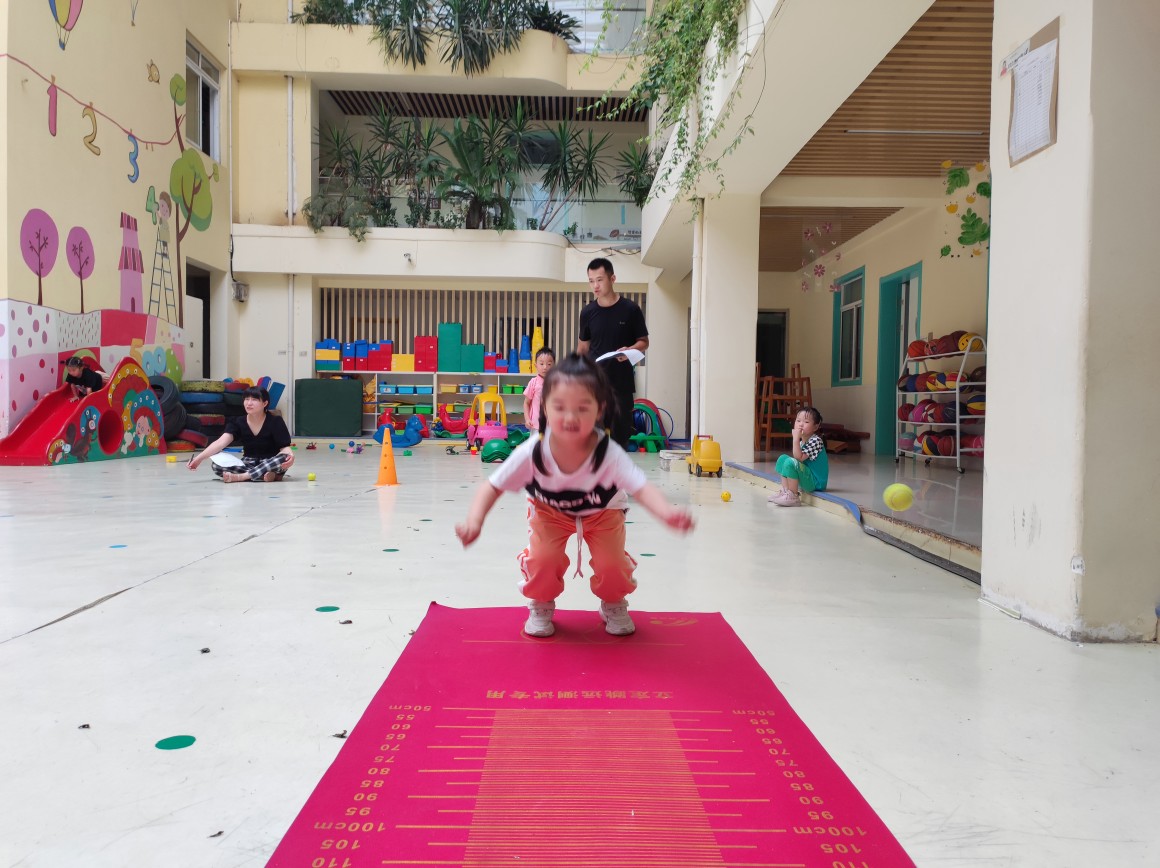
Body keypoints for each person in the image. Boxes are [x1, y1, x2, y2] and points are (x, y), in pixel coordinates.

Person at [456, 353, 693, 638]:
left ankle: (613, 602)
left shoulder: (608, 453)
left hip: (604, 512)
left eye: (582, 408)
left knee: (612, 564)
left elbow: (641, 487)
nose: (570, 418)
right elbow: (492, 486)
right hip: (549, 512)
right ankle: (541, 602)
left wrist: (667, 513)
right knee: (543, 560)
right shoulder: (534, 451)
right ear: (544, 407)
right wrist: (475, 521)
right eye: (560, 407)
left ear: (599, 408)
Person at [577, 257, 649, 449]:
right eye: (591, 281)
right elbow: (582, 350)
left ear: (612, 279)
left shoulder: (631, 310)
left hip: (621, 387)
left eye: (600, 280)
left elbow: (644, 342)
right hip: (594, 387)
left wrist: (630, 350)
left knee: (619, 442)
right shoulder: (587, 312)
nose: (595, 286)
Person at [187, 386, 295, 483]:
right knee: (216, 465)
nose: (249, 403)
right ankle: (265, 476)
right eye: (246, 399)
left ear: (265, 403)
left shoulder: (275, 421)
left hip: (270, 462)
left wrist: (291, 456)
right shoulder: (237, 422)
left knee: (284, 457)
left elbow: (284, 448)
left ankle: (242, 477)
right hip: (248, 462)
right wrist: (198, 459)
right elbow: (220, 442)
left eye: (254, 399)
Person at [769, 406, 828, 507]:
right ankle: (786, 492)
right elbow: (796, 460)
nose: (801, 424)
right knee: (783, 459)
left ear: (815, 427)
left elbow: (798, 458)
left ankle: (793, 496)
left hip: (815, 482)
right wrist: (797, 440)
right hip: (807, 478)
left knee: (790, 462)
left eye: (806, 422)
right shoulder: (802, 443)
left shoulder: (816, 441)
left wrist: (795, 438)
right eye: (798, 420)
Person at [521, 347, 555, 432]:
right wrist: (527, 419)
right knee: (536, 441)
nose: (545, 367)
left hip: (552, 425)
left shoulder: (556, 383)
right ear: (536, 365)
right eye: (541, 364)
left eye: (549, 364)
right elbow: (526, 403)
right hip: (536, 425)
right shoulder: (533, 382)